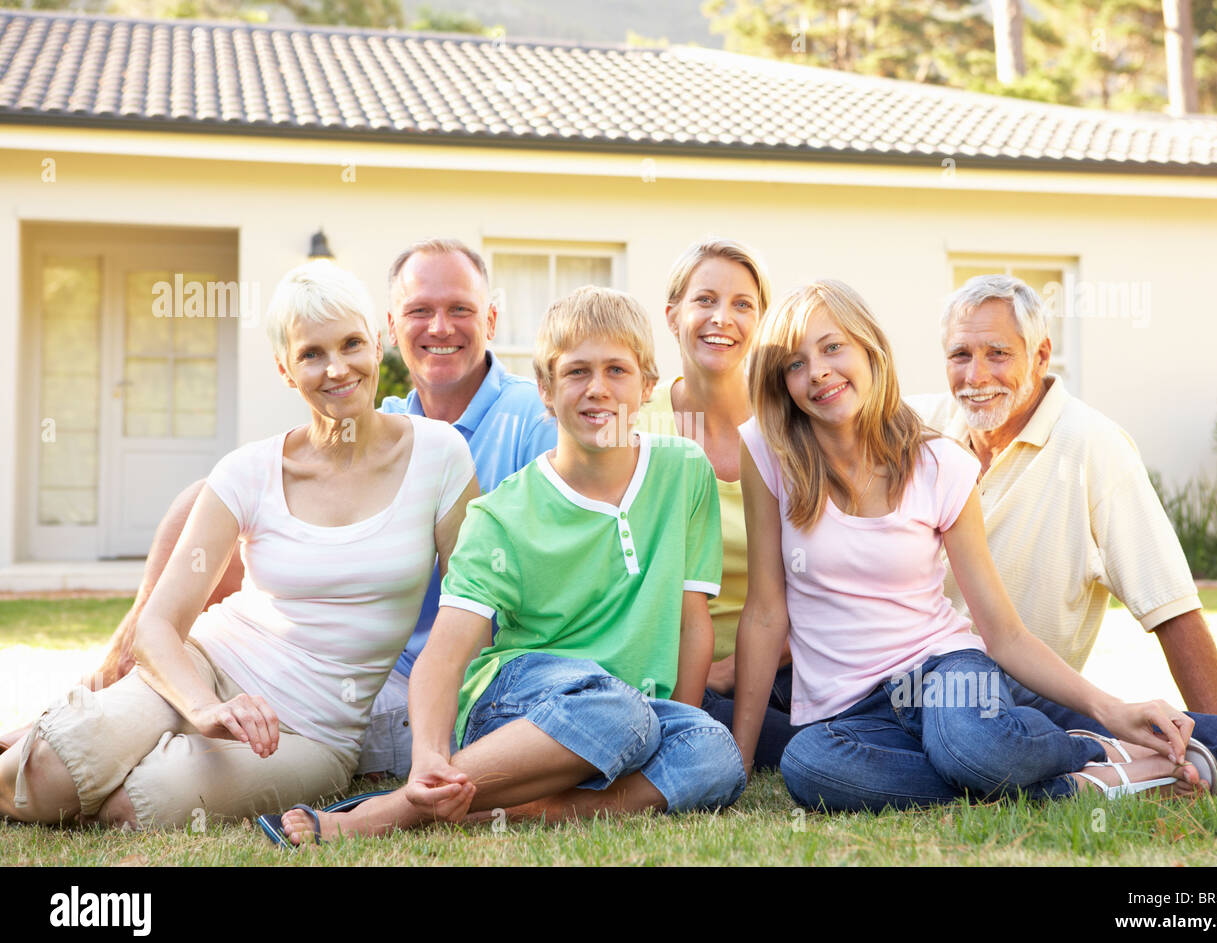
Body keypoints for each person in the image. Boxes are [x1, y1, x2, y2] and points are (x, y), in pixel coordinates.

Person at [0, 240, 557, 779]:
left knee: (132, 771)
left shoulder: (530, 422)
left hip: (408, 678)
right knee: (200, 501)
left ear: (492, 318)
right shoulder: (386, 415)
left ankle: (109, 716)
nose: (439, 327)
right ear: (391, 328)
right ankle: (109, 686)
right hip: (320, 654)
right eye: (419, 311)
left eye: (459, 309)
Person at [268, 285, 745, 844]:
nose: (598, 389)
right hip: (519, 702)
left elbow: (692, 622)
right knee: (618, 709)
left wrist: (676, 725)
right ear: (544, 390)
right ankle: (399, 807)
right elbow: (445, 657)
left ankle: (526, 811)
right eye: (576, 372)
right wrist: (426, 755)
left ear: (647, 386)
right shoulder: (501, 515)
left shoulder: (684, 472)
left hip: (637, 714)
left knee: (716, 753)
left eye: (617, 370)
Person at [731, 279, 1213, 813]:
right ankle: (1080, 781)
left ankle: (1082, 746)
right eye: (795, 364)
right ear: (784, 384)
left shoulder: (939, 465)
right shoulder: (767, 451)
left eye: (832, 347)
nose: (817, 370)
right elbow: (764, 613)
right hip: (848, 711)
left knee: (970, 748)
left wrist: (1109, 709)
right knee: (809, 765)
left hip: (945, 673)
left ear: (870, 350)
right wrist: (741, 762)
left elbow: (1003, 634)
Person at [907, 273, 1217, 794]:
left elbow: (1172, 608)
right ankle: (1116, 764)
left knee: (972, 747)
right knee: (808, 746)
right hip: (903, 682)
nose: (976, 375)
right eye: (960, 355)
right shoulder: (916, 428)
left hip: (1018, 694)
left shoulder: (1094, 446)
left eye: (998, 353)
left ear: (1041, 355)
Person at [639, 238, 797, 771]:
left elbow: (827, 579)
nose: (721, 318)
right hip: (671, 674)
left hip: (786, 665)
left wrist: (732, 668)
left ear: (762, 322)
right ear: (673, 314)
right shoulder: (635, 428)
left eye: (742, 304)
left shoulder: (792, 430)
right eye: (704, 299)